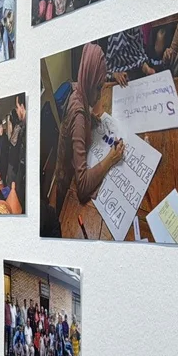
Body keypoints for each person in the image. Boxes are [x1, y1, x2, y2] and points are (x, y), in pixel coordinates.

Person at [52, 43, 126, 233]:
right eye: (98, 87)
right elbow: (83, 186)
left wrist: (90, 118)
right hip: (66, 185)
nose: (100, 95)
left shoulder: (78, 89)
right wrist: (111, 158)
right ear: (89, 80)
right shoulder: (78, 117)